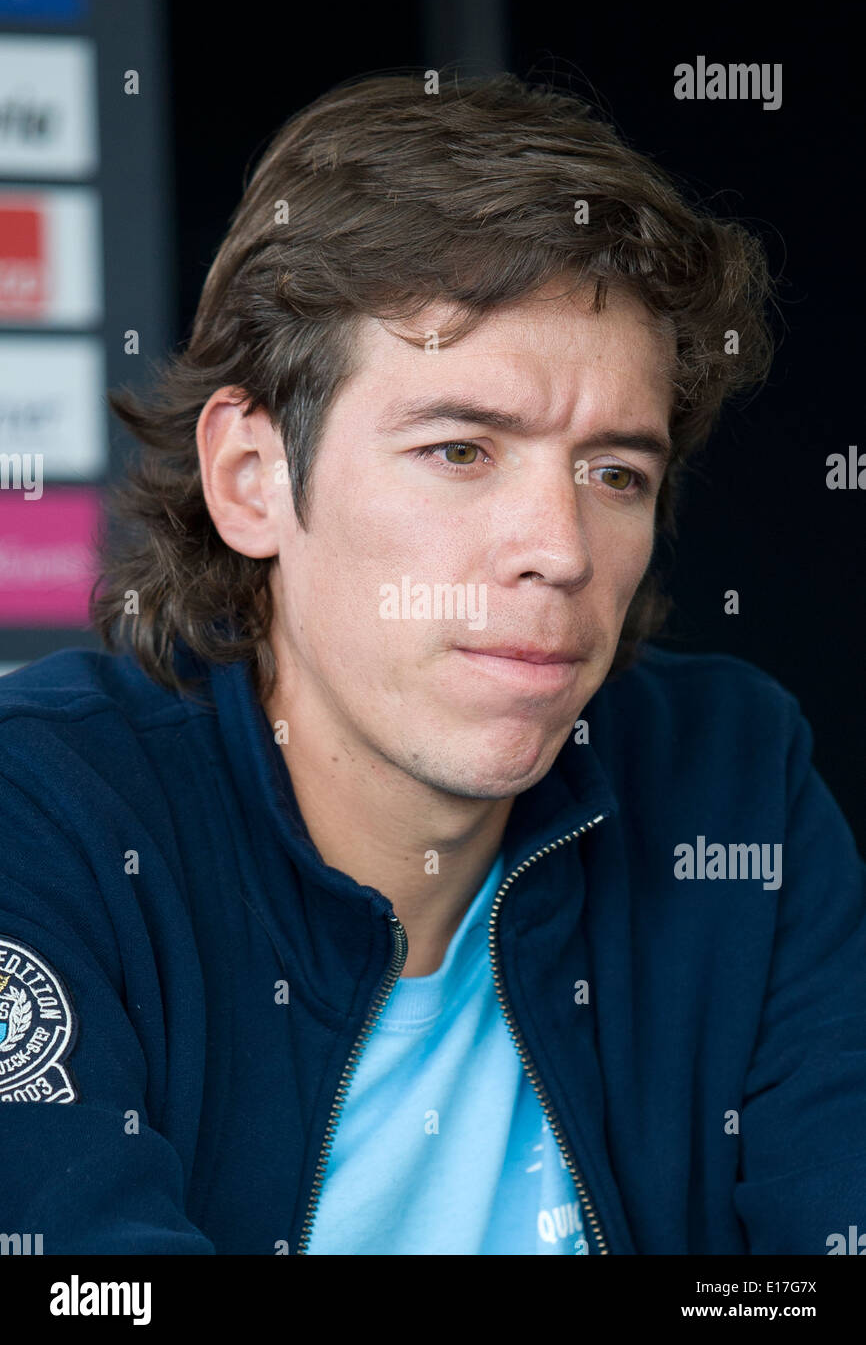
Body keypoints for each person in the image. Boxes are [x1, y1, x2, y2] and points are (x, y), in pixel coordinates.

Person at [1, 71, 863, 1256]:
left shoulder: (732, 780)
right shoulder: (42, 815)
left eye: (614, 472)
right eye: (460, 449)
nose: (557, 551)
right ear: (251, 477)